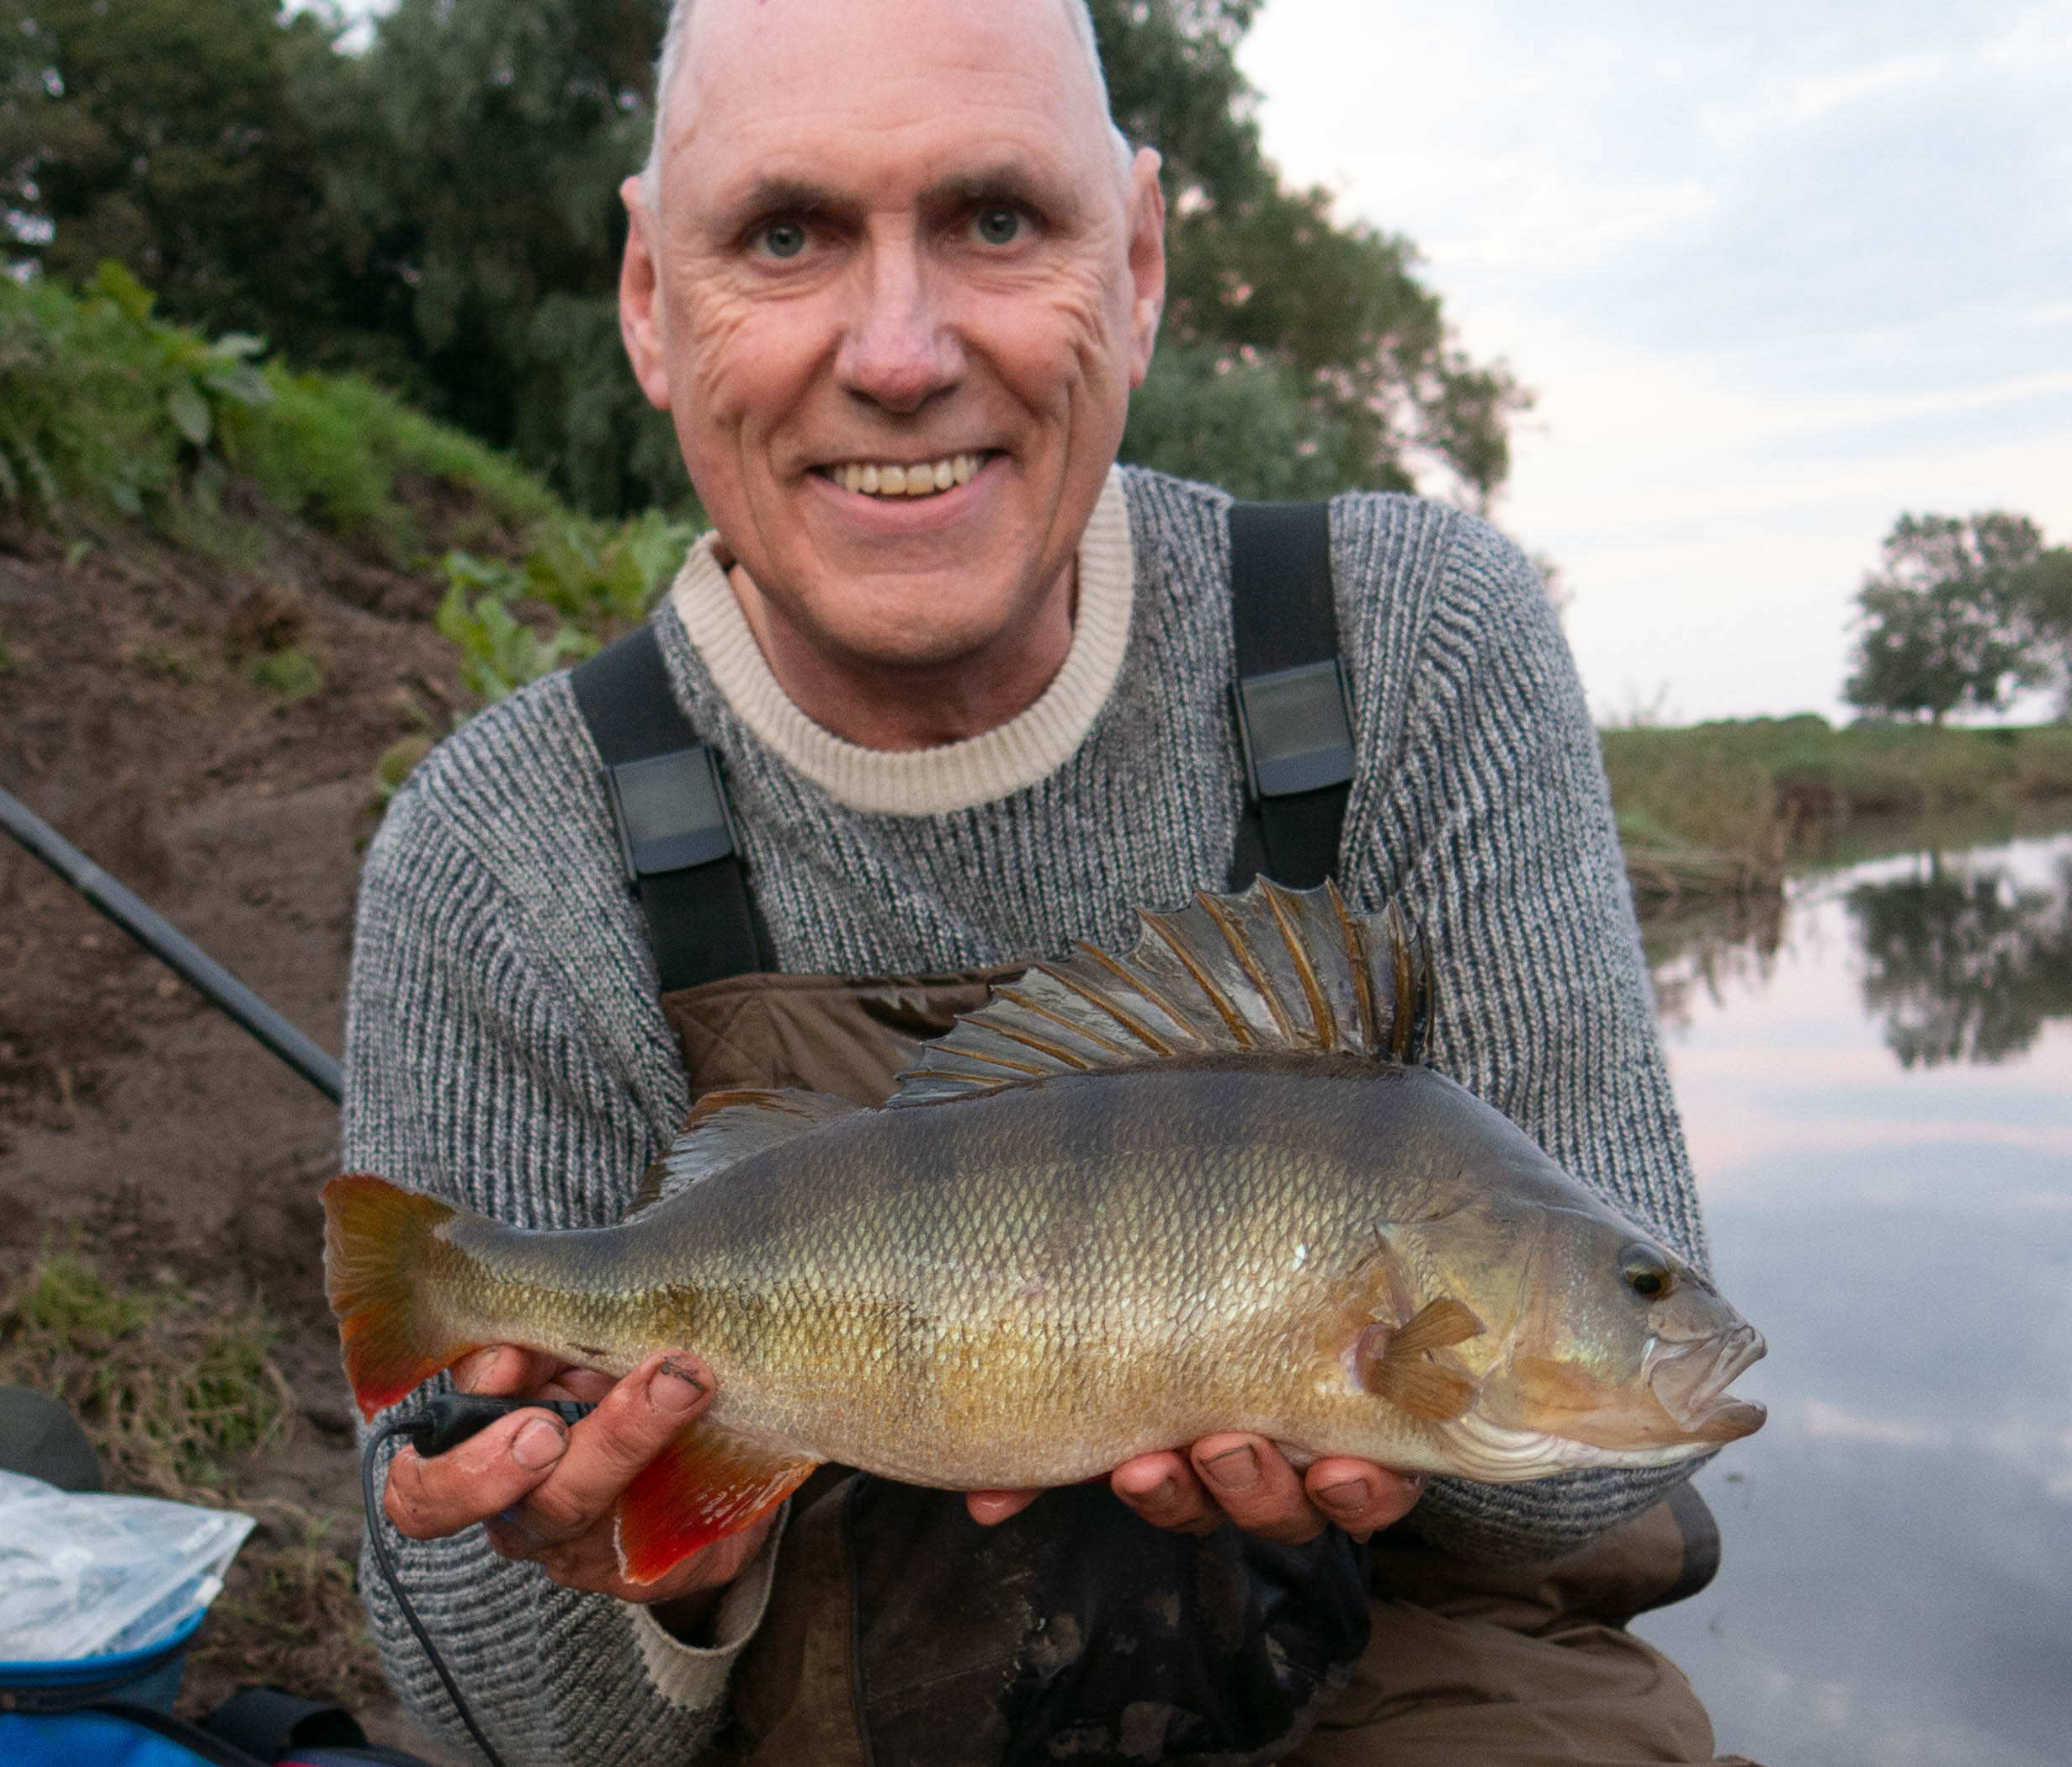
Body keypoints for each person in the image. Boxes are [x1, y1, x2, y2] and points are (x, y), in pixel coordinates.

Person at [343, 1, 1740, 1762]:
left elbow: (1624, 1450)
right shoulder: (499, 850)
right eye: (784, 234)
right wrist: (627, 1554)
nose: (902, 349)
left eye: (996, 219)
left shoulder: (1410, 651)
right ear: (648, 299)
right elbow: (493, 1735)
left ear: (1138, 260)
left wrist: (1372, 1400)